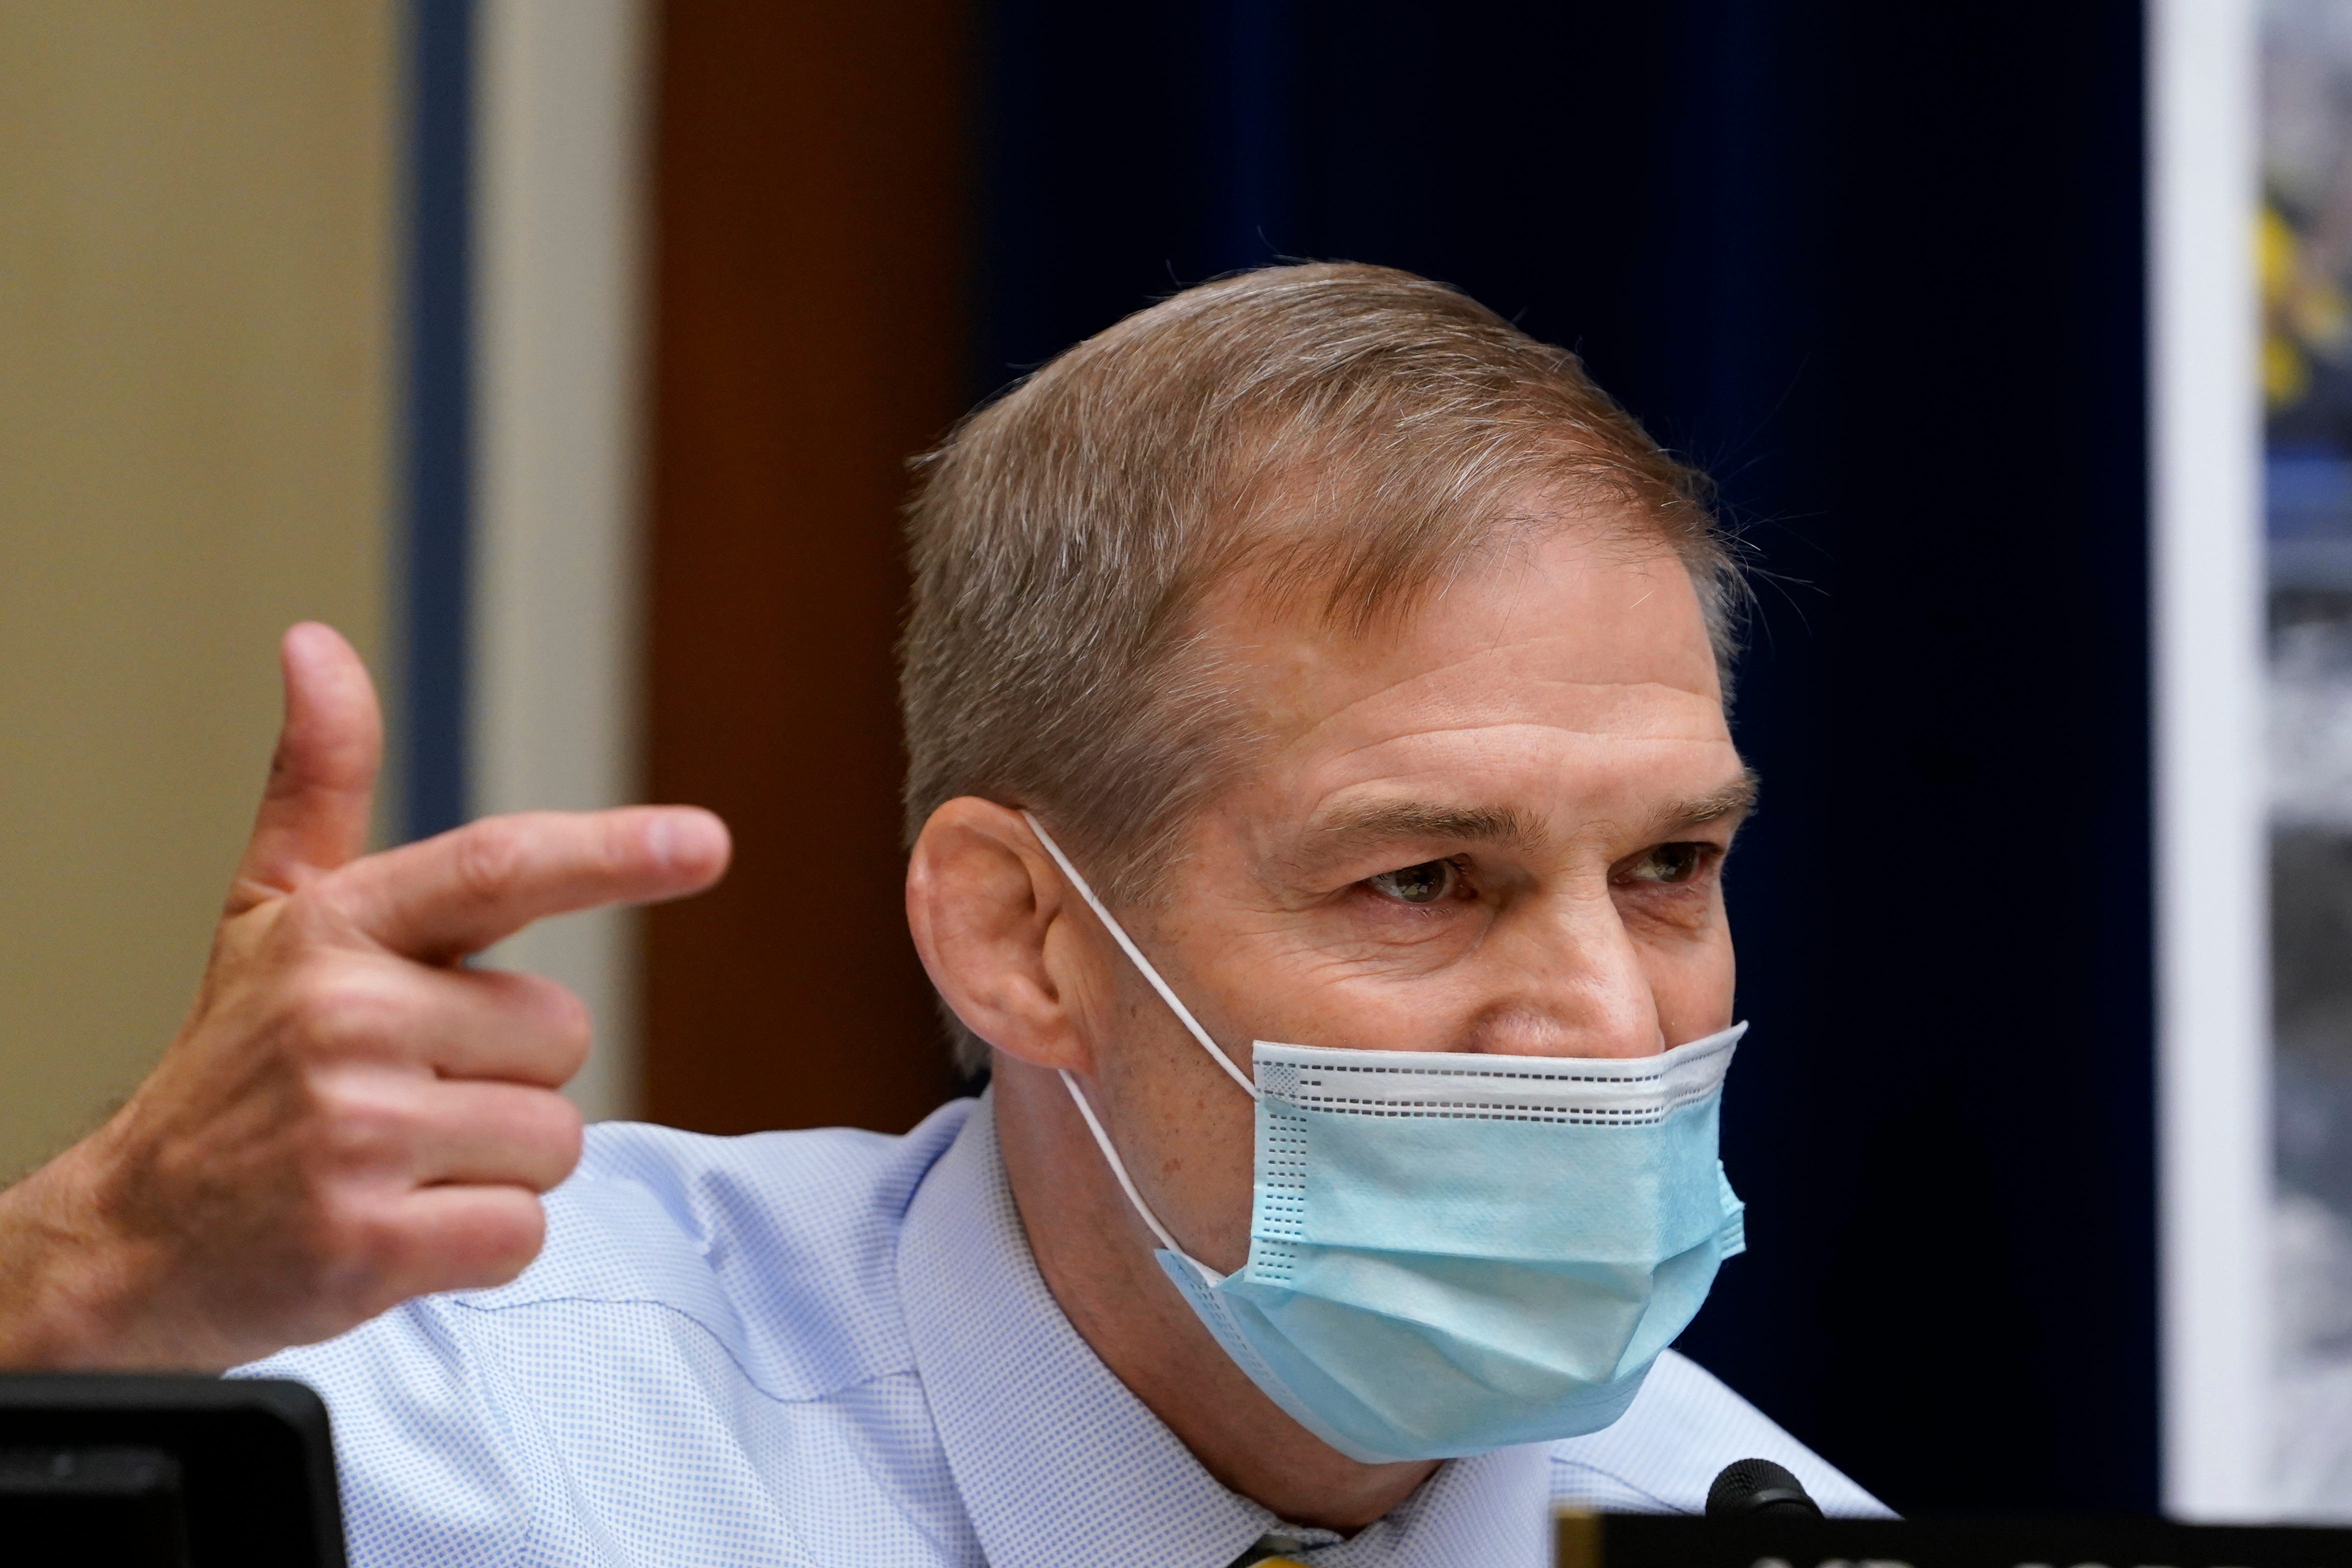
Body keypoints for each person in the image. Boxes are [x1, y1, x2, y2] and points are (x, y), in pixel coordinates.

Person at [0, 264, 1883, 1566]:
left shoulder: (1741, 1517)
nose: (1610, 1021)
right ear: (1020, 937)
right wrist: (91, 1267)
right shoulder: (478, 1422)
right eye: (1421, 882)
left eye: (1668, 872)